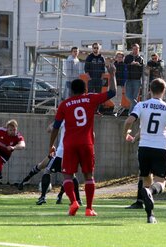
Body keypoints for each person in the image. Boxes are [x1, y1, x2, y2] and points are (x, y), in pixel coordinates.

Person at [49, 63, 117, 217]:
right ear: (85, 90)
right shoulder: (90, 99)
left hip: (69, 144)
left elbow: (55, 127)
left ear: (71, 91)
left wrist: (51, 145)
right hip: (86, 143)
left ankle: (73, 202)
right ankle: (89, 209)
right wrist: (112, 74)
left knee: (67, 176)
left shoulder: (64, 105)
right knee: (88, 175)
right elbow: (112, 92)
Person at [17, 122, 82, 206]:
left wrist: (56, 122)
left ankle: (43, 197)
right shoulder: (79, 119)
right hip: (74, 153)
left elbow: (50, 129)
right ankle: (76, 199)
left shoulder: (64, 119)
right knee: (70, 176)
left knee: (47, 171)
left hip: (61, 153)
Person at [124, 43, 144, 113]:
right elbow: (124, 66)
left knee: (135, 97)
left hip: (137, 80)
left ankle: (131, 113)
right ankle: (137, 104)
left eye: (137, 49)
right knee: (127, 95)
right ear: (132, 49)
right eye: (134, 49)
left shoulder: (141, 58)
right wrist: (130, 64)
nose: (135, 50)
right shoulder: (127, 57)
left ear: (139, 49)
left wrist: (139, 65)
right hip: (128, 79)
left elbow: (143, 69)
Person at [113, 51, 126, 117]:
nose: (120, 58)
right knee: (110, 96)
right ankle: (119, 107)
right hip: (113, 82)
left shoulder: (124, 65)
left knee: (119, 97)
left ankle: (115, 112)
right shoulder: (113, 64)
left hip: (120, 83)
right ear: (116, 58)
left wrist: (123, 83)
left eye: (121, 57)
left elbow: (125, 75)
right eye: (118, 57)